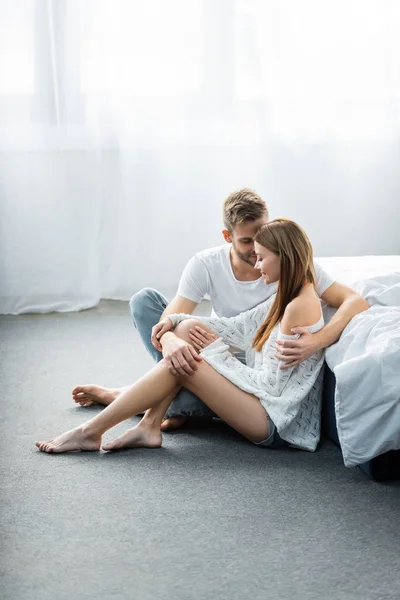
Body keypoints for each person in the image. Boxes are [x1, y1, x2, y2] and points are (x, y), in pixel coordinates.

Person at [36, 218, 369, 454]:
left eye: (263, 257)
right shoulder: (286, 293)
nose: (257, 265)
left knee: (187, 361)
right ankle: (147, 427)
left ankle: (91, 432)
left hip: (277, 422)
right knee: (183, 338)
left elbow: (272, 388)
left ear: (284, 257)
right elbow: (239, 327)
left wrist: (217, 355)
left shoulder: (300, 306)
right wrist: (177, 324)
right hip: (262, 404)